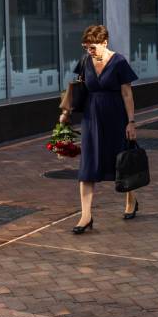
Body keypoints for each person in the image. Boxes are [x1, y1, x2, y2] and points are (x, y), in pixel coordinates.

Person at [60, 25, 139, 234]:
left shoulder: (119, 61)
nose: (89, 51)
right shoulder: (86, 61)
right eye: (86, 47)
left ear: (105, 43)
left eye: (93, 47)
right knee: (87, 164)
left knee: (121, 161)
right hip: (91, 118)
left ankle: (131, 199)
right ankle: (86, 216)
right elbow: (76, 88)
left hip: (116, 117)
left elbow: (127, 94)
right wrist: (66, 114)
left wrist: (131, 122)